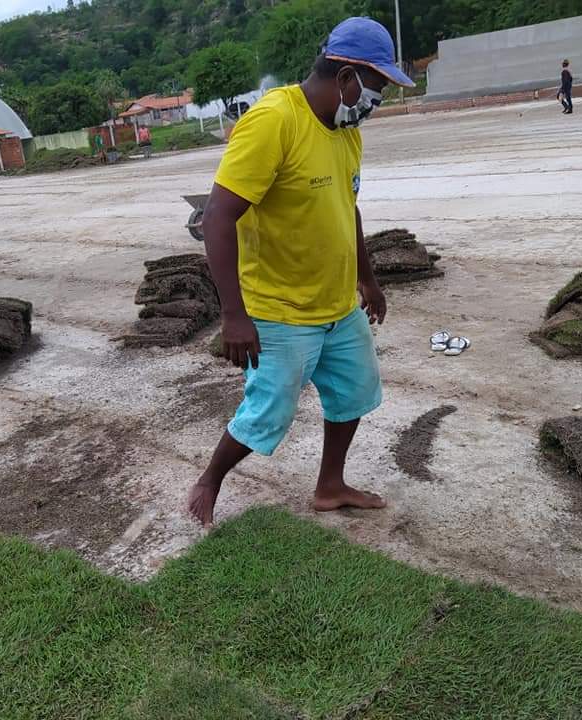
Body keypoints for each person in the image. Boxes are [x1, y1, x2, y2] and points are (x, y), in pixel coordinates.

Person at [187, 17, 415, 527]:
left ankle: (330, 486)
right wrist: (234, 315)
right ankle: (210, 480)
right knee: (269, 412)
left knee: (355, 390)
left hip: (336, 304)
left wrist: (369, 278)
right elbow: (218, 217)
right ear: (347, 77)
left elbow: (345, 206)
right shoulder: (274, 121)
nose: (376, 102)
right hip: (278, 309)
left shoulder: (344, 128)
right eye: (377, 88)